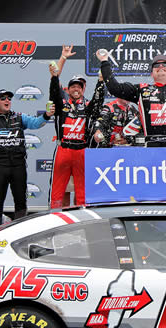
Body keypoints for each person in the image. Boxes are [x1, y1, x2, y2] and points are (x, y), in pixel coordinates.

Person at [0, 89, 54, 226]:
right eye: (3, 98)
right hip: (0, 165)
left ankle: (21, 229)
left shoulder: (19, 117)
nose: (7, 101)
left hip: (18, 165)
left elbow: (36, 123)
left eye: (9, 98)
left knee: (20, 200)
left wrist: (47, 115)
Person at [48, 45, 106, 208]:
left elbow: (98, 101)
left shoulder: (87, 106)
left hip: (81, 150)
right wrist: (54, 76)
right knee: (58, 189)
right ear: (68, 88)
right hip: (63, 149)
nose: (76, 89)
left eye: (79, 87)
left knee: (82, 189)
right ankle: (55, 216)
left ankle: (81, 217)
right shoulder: (62, 105)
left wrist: (101, 82)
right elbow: (54, 92)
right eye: (73, 86)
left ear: (82, 89)